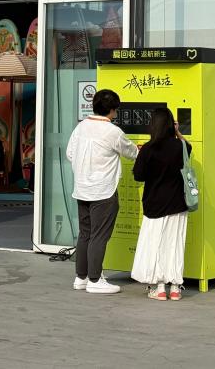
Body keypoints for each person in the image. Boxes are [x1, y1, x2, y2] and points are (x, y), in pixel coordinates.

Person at [65, 88, 138, 295]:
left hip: (81, 189)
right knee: (99, 236)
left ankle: (81, 277)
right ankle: (95, 280)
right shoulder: (113, 131)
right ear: (113, 110)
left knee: (85, 234)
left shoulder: (80, 127)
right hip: (104, 191)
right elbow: (132, 152)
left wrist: (85, 168)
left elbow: (70, 153)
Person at [131, 106, 192, 301]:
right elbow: (188, 147)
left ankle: (159, 289)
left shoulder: (148, 149)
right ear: (171, 125)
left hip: (155, 204)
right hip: (178, 203)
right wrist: (177, 133)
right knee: (175, 245)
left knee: (156, 245)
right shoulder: (180, 146)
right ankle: (175, 288)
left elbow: (138, 176)